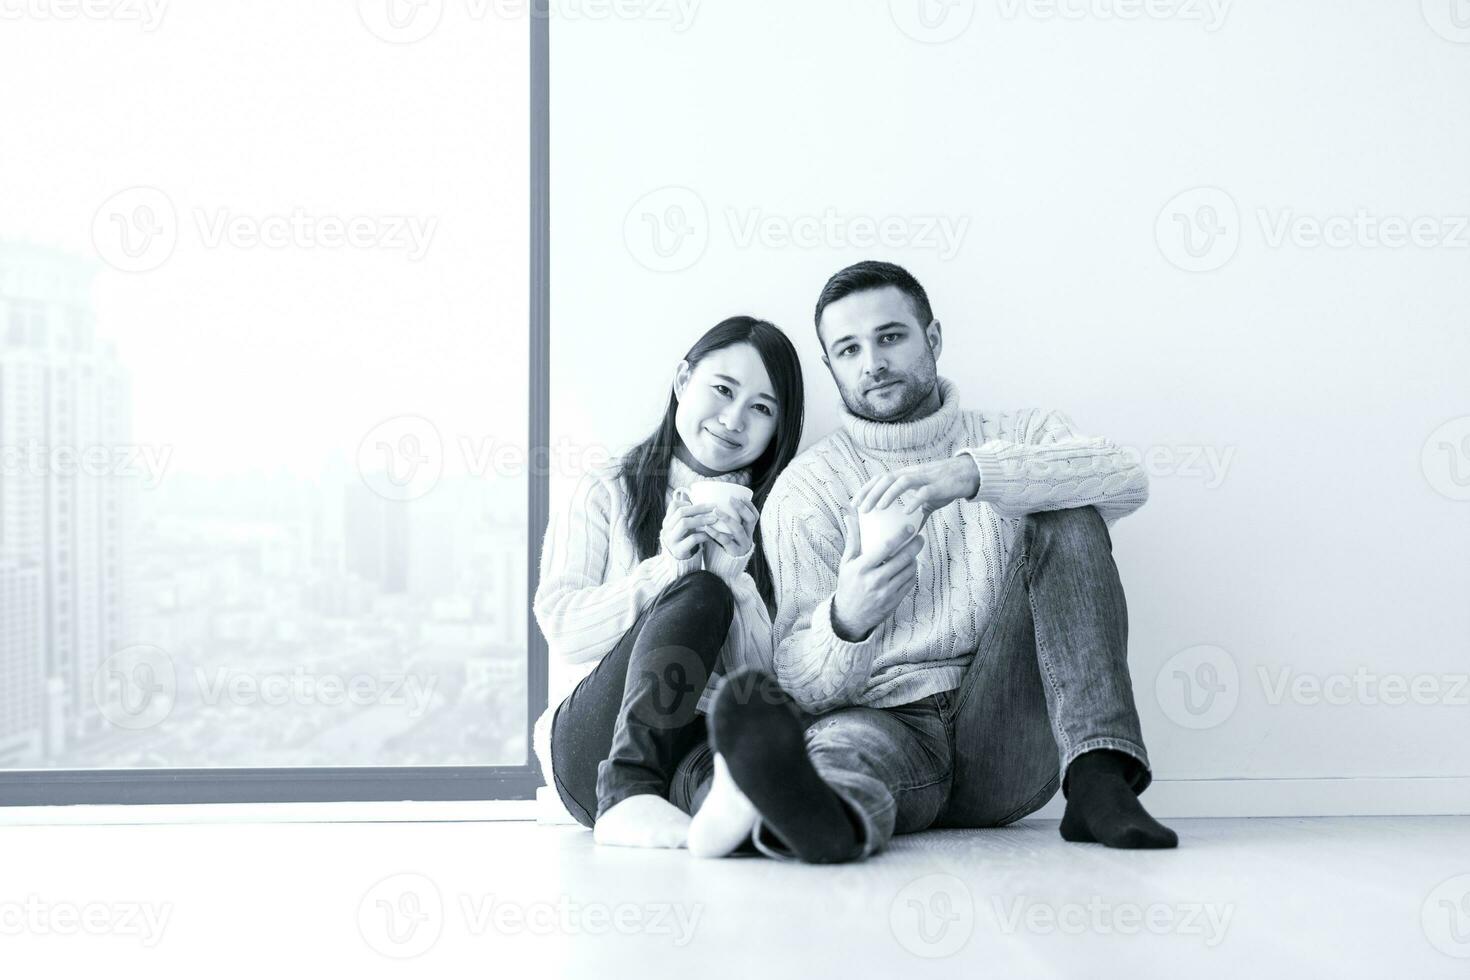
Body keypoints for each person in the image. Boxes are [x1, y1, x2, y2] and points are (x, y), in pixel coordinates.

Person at [688, 261, 1176, 863]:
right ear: (831, 367)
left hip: (1009, 722)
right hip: (886, 721)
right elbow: (798, 680)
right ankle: (823, 816)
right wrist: (848, 619)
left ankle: (1102, 778)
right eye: (848, 349)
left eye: (890, 337)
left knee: (1068, 512)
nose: (872, 363)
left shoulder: (1019, 431)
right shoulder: (806, 488)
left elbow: (1125, 478)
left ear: (933, 338)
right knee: (840, 751)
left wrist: (971, 474)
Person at [532, 315, 804, 849]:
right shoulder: (607, 489)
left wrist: (735, 577)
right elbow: (564, 630)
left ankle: (748, 821)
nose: (733, 419)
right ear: (683, 381)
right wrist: (668, 570)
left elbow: (774, 684)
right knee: (700, 593)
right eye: (723, 389)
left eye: (762, 408)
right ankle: (627, 792)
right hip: (595, 748)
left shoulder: (785, 513)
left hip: (699, 745)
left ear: (779, 426)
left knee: (743, 800)